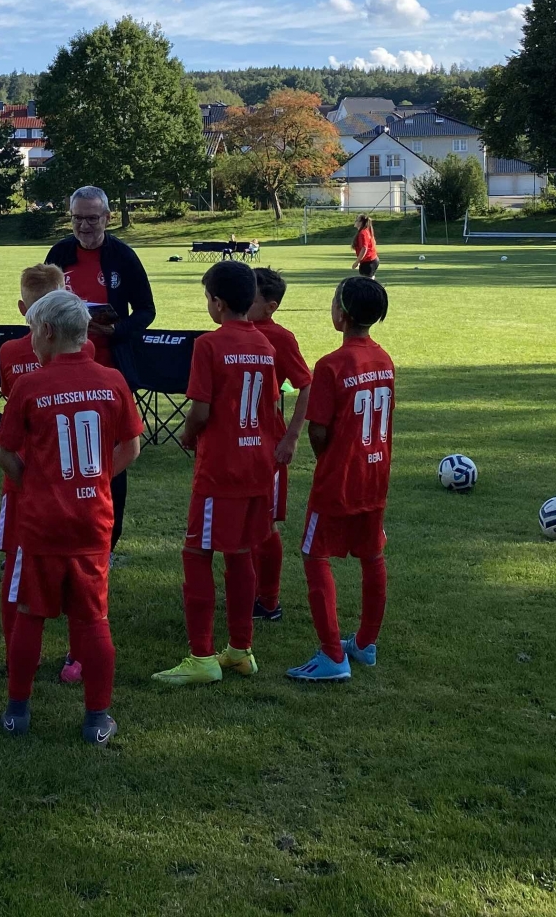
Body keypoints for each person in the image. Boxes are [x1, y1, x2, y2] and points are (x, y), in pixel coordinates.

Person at [0, 290, 144, 744]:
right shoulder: (112, 380)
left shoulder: (30, 385)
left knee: (29, 614)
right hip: (91, 518)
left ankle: (17, 711)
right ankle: (97, 718)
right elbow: (132, 446)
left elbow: (5, 453)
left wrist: (37, 484)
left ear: (47, 332)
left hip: (42, 520)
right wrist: (97, 479)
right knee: (93, 618)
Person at [153, 260, 280, 687]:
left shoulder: (209, 344)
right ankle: (241, 650)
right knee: (240, 553)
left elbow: (202, 410)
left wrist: (187, 436)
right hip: (257, 464)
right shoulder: (264, 344)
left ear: (218, 303)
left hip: (221, 468)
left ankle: (202, 656)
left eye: (207, 298)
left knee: (197, 554)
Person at [288, 276, 394, 682]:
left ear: (342, 314)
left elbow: (318, 430)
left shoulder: (331, 365)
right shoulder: (384, 359)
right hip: (375, 473)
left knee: (315, 555)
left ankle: (333, 655)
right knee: (372, 555)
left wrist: (329, 460)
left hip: (340, 477)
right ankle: (365, 643)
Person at [44, 186, 155, 553]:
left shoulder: (123, 256)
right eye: (77, 218)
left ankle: (108, 540)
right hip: (64, 369)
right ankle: (60, 533)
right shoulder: (60, 253)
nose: (84, 226)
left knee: (110, 457)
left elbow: (146, 310)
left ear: (108, 217)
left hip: (110, 370)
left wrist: (116, 329)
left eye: (92, 218)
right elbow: (44, 303)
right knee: (61, 455)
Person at [0, 263, 95, 673]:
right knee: (79, 571)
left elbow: (10, 426)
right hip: (77, 480)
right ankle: (77, 656)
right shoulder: (87, 352)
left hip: (25, 476)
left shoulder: (10, 353)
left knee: (16, 570)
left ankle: (19, 655)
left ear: (25, 310)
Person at [248, 268, 313, 624]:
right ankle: (247, 591)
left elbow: (306, 384)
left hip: (266, 443)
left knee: (264, 522)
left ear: (270, 306)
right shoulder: (229, 331)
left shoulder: (280, 338)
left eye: (252, 297)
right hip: (232, 444)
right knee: (239, 521)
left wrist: (292, 436)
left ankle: (269, 600)